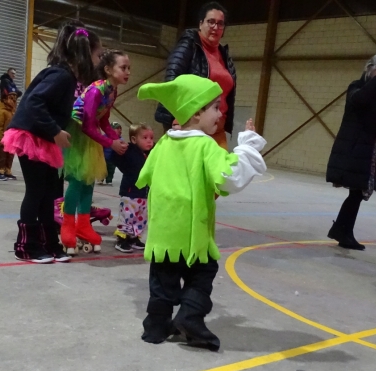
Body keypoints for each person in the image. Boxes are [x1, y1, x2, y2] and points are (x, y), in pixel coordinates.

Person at [137, 74, 267, 351]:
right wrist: (248, 145)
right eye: (216, 108)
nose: (220, 114)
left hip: (164, 231)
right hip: (193, 232)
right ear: (196, 113)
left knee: (162, 279)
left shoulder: (162, 144)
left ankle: (155, 327)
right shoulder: (205, 146)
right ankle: (190, 317)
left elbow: (145, 176)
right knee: (202, 272)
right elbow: (230, 175)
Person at [2, 21, 102, 263]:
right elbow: (34, 102)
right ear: (84, 54)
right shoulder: (61, 76)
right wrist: (55, 130)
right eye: (98, 55)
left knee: (50, 194)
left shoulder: (68, 78)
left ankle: (48, 241)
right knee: (36, 192)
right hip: (31, 137)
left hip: (43, 138)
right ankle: (26, 245)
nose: (100, 60)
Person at [326, 51, 376, 250]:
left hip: (369, 152)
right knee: (357, 192)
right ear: (373, 70)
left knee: (358, 193)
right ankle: (343, 232)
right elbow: (359, 101)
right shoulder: (357, 87)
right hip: (354, 150)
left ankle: (342, 230)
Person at [61, 50, 130, 256]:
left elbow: (103, 120)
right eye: (123, 68)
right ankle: (67, 224)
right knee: (77, 180)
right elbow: (87, 126)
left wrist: (115, 138)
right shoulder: (96, 91)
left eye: (129, 68)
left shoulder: (112, 91)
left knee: (89, 181)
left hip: (91, 136)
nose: (128, 72)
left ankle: (83, 224)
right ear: (108, 69)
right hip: (78, 134)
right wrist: (110, 143)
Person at [155, 2, 236, 149]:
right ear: (201, 23)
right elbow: (171, 81)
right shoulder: (189, 45)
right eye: (211, 22)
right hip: (191, 128)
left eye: (220, 24)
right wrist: (176, 119)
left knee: (222, 171)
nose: (215, 27)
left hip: (218, 128)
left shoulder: (224, 56)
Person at [112, 123, 154, 253]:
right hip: (130, 192)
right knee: (128, 216)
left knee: (140, 217)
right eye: (145, 138)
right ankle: (122, 239)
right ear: (134, 140)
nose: (149, 141)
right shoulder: (129, 150)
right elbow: (115, 157)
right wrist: (117, 148)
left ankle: (134, 237)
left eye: (151, 138)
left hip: (143, 193)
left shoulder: (148, 154)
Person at [0, 91, 17, 181]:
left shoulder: (13, 112)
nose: (14, 101)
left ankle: (7, 169)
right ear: (4, 100)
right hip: (3, 138)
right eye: (11, 99)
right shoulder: (1, 112)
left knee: (10, 155)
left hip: (12, 138)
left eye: (15, 99)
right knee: (2, 155)